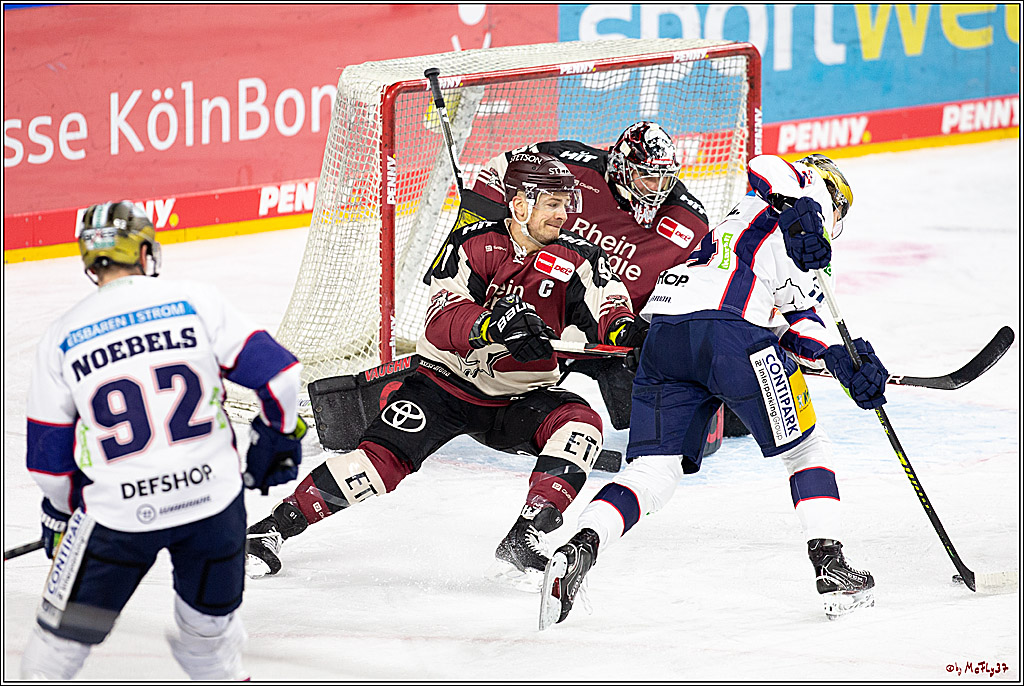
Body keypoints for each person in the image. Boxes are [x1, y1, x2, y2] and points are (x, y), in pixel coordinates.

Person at [245, 153, 638, 583]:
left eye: (567, 204)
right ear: (521, 204)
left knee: (582, 424)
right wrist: (492, 324)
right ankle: (270, 531)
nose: (564, 215)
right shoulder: (471, 244)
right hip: (445, 386)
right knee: (376, 466)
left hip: (521, 401)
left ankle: (525, 537)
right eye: (553, 204)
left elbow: (611, 307)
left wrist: (627, 335)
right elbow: (441, 319)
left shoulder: (581, 259)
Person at [539, 153, 887, 627]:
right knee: (807, 449)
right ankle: (831, 568)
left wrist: (842, 361)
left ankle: (583, 545)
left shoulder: (750, 220)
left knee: (653, 472)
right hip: (729, 336)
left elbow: (798, 324)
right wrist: (799, 203)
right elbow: (765, 163)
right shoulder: (800, 200)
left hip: (663, 338)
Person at [20, 201, 305, 680]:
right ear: (144, 249)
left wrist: (61, 516)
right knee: (209, 640)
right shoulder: (195, 301)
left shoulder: (61, 336)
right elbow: (281, 377)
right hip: (212, 507)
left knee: (59, 646)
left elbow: (49, 465)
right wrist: (274, 439)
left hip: (118, 518)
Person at [473, 121, 720, 433]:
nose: (656, 188)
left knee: (665, 427)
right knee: (491, 391)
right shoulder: (568, 164)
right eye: (646, 176)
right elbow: (498, 170)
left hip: (613, 336)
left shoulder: (689, 222)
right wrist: (481, 232)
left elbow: (694, 288)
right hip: (535, 311)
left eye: (664, 178)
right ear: (619, 166)